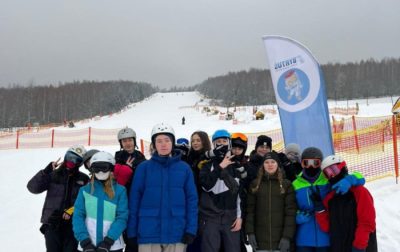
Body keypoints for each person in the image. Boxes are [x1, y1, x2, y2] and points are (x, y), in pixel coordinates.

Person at [126, 123, 198, 252]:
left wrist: (191, 229)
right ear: (154, 145)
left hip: (177, 232)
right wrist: (131, 232)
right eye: (159, 141)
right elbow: (134, 201)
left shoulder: (184, 168)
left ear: (172, 143)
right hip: (148, 232)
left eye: (167, 140)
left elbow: (192, 201)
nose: (163, 144)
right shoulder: (143, 168)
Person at [293, 147, 365, 252]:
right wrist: (296, 216)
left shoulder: (328, 178)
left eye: (315, 163)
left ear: (320, 163)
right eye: (306, 163)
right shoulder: (295, 184)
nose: (311, 166)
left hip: (325, 237)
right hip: (303, 238)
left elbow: (360, 177)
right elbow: (289, 207)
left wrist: (349, 180)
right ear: (302, 164)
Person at [27, 145, 90, 252]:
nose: (72, 161)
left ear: (80, 163)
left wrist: (72, 210)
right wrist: (45, 172)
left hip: (73, 225)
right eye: (70, 157)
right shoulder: (53, 175)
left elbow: (87, 201)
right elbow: (33, 188)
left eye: (76, 160)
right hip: (52, 223)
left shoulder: (84, 179)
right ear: (66, 156)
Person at [316, 155, 377, 252]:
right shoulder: (330, 198)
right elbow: (328, 227)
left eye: (334, 170)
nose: (332, 175)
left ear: (343, 167)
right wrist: (320, 211)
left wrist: (359, 246)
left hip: (360, 247)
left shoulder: (359, 192)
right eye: (328, 173)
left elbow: (367, 222)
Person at [73, 151, 129, 252]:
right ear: (92, 169)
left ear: (111, 168)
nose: (100, 172)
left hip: (113, 245)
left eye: (104, 168)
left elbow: (122, 217)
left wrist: (108, 241)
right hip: (88, 245)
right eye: (97, 168)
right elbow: (78, 216)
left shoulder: (120, 191)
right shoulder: (85, 190)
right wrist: (85, 241)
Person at [199, 129, 242, 252]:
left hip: (231, 218)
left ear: (229, 143)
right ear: (214, 144)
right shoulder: (207, 165)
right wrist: (220, 167)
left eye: (224, 141)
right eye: (218, 141)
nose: (222, 144)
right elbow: (206, 185)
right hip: (211, 217)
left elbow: (240, 194)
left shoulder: (236, 165)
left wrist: (239, 217)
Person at [246, 152, 297, 252]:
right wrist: (250, 232)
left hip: (280, 243)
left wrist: (287, 237)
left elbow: (290, 213)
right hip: (260, 243)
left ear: (277, 164)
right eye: (267, 162)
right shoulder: (255, 184)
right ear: (262, 165)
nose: (270, 165)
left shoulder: (286, 185)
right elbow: (250, 211)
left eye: (273, 162)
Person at [114, 127, 146, 252]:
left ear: (134, 141)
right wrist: (125, 169)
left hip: (138, 200)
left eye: (129, 140)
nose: (127, 143)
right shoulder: (117, 158)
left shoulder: (141, 157)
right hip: (122, 200)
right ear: (121, 144)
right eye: (124, 141)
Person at [186, 131, 212, 252]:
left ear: (204, 141)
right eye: (193, 141)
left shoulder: (209, 158)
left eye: (198, 140)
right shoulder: (188, 158)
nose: (195, 143)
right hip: (190, 201)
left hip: (204, 202)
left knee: (202, 236)